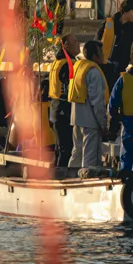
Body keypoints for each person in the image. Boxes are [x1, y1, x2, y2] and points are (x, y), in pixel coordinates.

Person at [69, 40, 109, 171]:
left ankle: (70, 176)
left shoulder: (78, 67)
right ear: (95, 56)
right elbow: (97, 102)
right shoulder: (94, 72)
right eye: (101, 52)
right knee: (90, 157)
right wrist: (103, 124)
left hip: (76, 118)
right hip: (91, 122)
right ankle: (87, 180)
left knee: (77, 152)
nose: (103, 55)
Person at [98, 0, 133, 82]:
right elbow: (96, 42)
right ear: (125, 11)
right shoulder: (108, 24)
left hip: (123, 68)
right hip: (105, 67)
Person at [48, 34, 80, 168]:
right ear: (66, 45)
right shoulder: (67, 64)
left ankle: (55, 174)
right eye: (75, 41)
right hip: (63, 110)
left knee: (60, 149)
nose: (78, 44)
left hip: (55, 109)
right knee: (65, 149)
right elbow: (71, 87)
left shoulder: (58, 61)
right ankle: (61, 176)